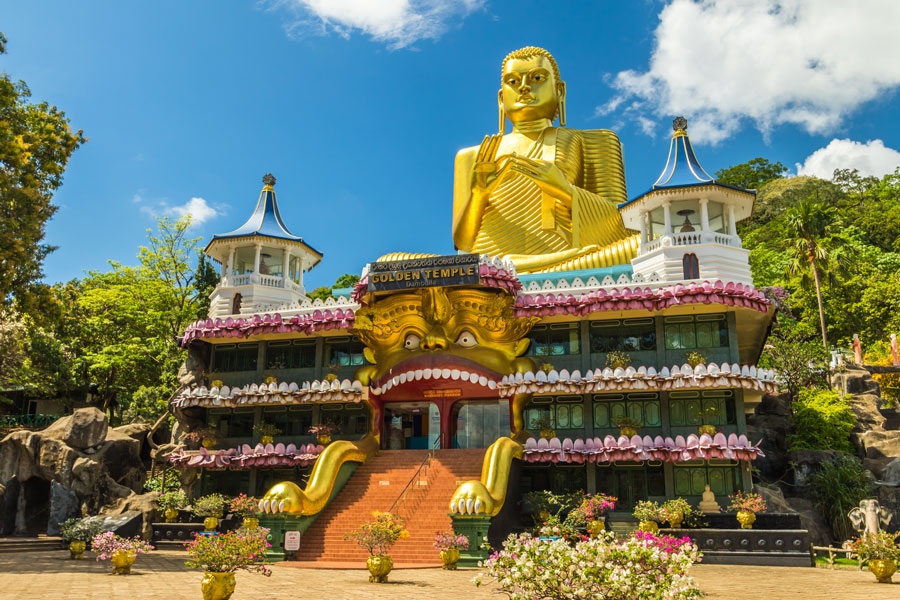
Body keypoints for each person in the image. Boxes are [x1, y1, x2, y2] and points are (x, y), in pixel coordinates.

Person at [451, 46, 639, 273]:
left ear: (560, 91)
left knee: (638, 246)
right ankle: (508, 267)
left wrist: (565, 191)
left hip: (566, 264)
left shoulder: (593, 141)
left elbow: (622, 227)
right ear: (501, 99)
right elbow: (463, 243)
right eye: (512, 81)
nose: (523, 87)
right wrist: (478, 194)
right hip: (487, 267)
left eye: (537, 78)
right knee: (398, 260)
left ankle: (516, 267)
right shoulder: (472, 155)